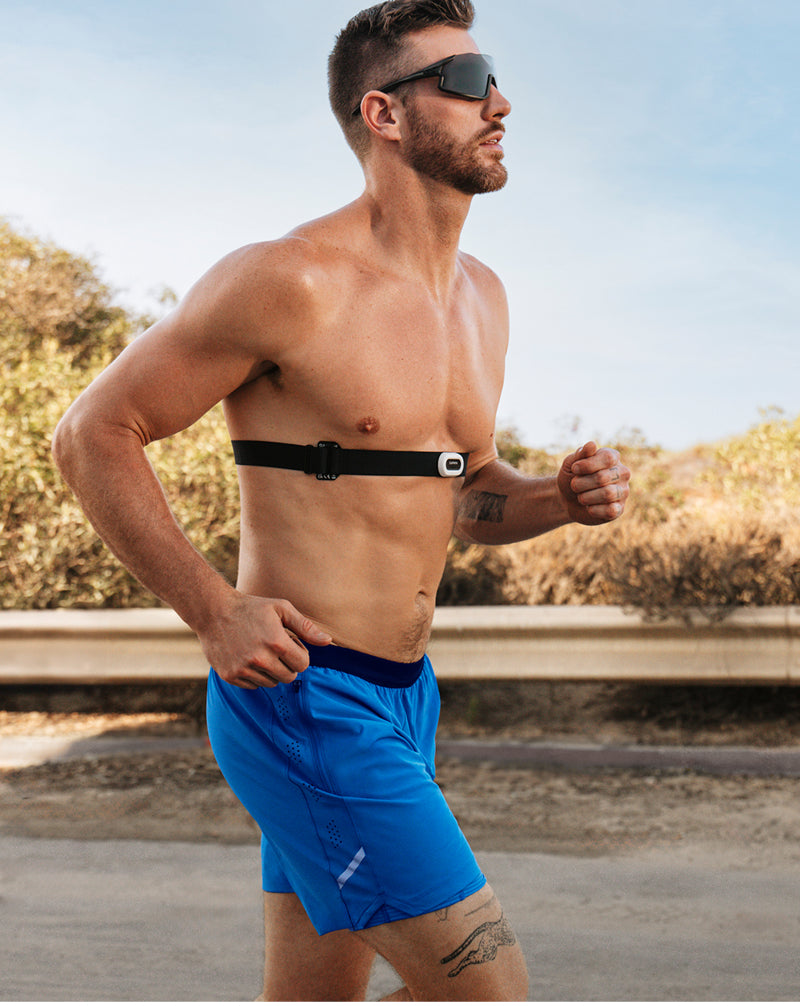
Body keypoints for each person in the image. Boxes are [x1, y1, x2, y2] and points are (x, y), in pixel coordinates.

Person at [53, 0, 631, 999]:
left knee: (313, 997)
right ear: (385, 113)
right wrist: (214, 609)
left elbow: (460, 494)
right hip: (304, 696)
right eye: (463, 80)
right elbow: (90, 435)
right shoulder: (289, 280)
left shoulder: (481, 296)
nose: (499, 101)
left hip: (406, 697)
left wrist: (554, 498)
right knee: (487, 991)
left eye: (491, 80)